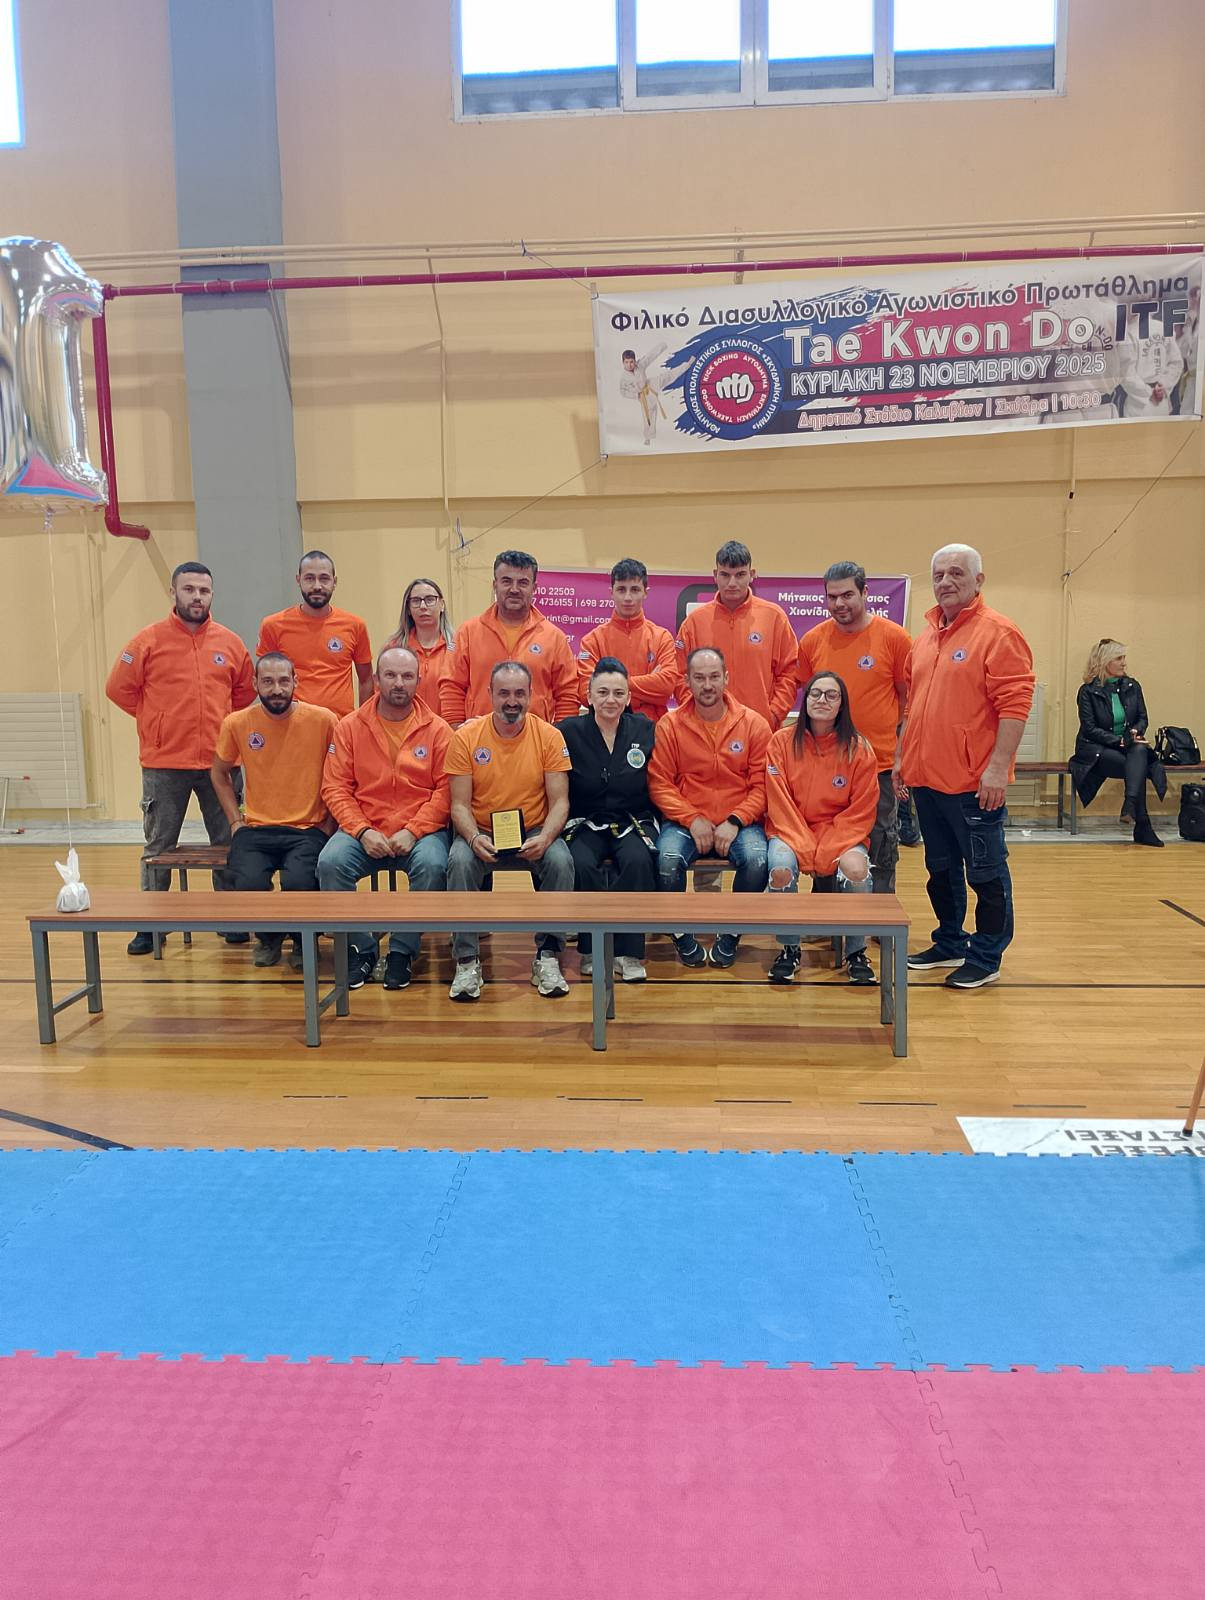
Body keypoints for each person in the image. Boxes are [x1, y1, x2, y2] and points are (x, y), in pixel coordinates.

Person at [894, 544, 1035, 990]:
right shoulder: (926, 637)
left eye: (956, 573)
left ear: (979, 580)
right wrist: (901, 757)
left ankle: (987, 955)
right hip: (926, 780)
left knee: (986, 873)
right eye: (938, 574)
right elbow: (912, 706)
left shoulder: (999, 633)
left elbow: (1015, 705)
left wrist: (997, 768)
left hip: (974, 783)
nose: (946, 582)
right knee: (940, 871)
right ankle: (950, 941)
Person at [105, 561, 255, 955]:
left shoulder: (230, 643)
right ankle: (152, 926)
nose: (197, 597)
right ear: (173, 593)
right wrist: (156, 722)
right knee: (159, 846)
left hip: (221, 763)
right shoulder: (147, 641)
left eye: (204, 590)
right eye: (189, 589)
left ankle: (232, 919)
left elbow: (244, 694)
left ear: (212, 594)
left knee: (229, 841)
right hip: (164, 763)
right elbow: (118, 689)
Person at [318, 646, 452, 991]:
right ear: (376, 679)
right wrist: (362, 831)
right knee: (331, 862)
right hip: (363, 828)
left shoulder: (438, 730)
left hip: (420, 832)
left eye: (407, 676)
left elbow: (446, 791)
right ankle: (360, 948)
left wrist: (414, 830)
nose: (399, 683)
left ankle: (401, 951)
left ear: (419, 680)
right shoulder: (349, 727)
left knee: (434, 865)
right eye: (390, 675)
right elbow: (334, 787)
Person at [445, 661, 575, 1002]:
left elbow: (560, 802)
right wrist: (473, 838)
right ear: (489, 694)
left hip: (534, 829)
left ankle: (548, 956)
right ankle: (466, 960)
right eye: (503, 693)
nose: (512, 701)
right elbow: (459, 805)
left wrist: (545, 837)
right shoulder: (466, 738)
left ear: (531, 695)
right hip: (481, 830)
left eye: (519, 693)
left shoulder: (549, 736)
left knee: (561, 861)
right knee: (459, 861)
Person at [211, 653, 338, 969]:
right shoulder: (237, 723)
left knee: (300, 881)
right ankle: (268, 939)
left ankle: (303, 941)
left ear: (296, 681)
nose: (277, 689)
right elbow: (219, 773)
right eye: (268, 681)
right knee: (247, 881)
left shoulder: (324, 720)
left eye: (283, 680)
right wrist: (235, 821)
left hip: (307, 829)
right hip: (256, 829)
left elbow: (343, 772)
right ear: (255, 684)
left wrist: (329, 824)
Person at [796, 562, 912, 903]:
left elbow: (909, 702)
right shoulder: (812, 641)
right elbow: (811, 701)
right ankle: (825, 917)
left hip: (879, 768)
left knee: (880, 845)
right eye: (832, 597)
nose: (839, 603)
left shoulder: (895, 639)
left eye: (847, 595)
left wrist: (901, 755)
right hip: (826, 767)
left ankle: (880, 916)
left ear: (865, 593)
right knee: (826, 845)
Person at [648, 647, 770, 969]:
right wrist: (692, 819)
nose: (707, 685)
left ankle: (730, 933)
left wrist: (736, 820)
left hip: (741, 822)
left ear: (726, 678)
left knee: (758, 860)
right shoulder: (670, 725)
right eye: (699, 677)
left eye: (714, 676)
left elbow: (763, 786)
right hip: (685, 821)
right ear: (687, 681)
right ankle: (681, 934)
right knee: (666, 860)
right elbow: (660, 783)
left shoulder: (754, 724)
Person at [765, 672, 880, 985]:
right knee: (780, 870)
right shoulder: (780, 742)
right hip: (790, 828)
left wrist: (826, 848)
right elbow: (779, 802)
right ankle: (789, 949)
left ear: (842, 704)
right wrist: (805, 846)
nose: (822, 700)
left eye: (832, 695)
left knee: (856, 870)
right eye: (816, 693)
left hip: (841, 833)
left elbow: (861, 811)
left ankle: (856, 952)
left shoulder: (859, 748)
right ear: (805, 700)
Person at [559, 658, 658, 984]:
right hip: (585, 819)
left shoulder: (645, 729)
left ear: (629, 697)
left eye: (618, 693)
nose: (610, 700)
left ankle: (628, 952)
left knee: (638, 860)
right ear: (589, 696)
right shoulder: (567, 731)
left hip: (631, 818)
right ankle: (592, 949)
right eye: (602, 692)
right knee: (580, 862)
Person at [441, 550, 579, 727]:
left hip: (535, 740)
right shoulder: (468, 633)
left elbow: (567, 694)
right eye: (506, 581)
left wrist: (559, 733)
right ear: (495, 585)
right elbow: (452, 686)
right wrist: (457, 728)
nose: (514, 589)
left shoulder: (554, 638)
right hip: (478, 739)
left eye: (523, 583)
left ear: (534, 588)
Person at [674, 540, 799, 729]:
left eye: (740, 575)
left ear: (752, 574)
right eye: (725, 575)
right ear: (715, 575)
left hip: (760, 730)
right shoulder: (694, 622)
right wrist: (696, 713)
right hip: (706, 730)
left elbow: (790, 672)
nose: (732, 583)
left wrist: (773, 714)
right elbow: (679, 675)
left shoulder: (774, 617)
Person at [1070, 640, 1166, 847]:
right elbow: (1090, 728)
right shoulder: (1087, 691)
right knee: (1137, 766)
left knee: (1139, 752)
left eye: (1124, 658)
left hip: (1128, 747)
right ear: (1104, 661)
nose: (1124, 663)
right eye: (1118, 658)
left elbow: (1142, 718)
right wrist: (1119, 740)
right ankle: (1142, 824)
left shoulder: (1132, 686)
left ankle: (1130, 804)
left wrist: (1135, 732)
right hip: (1096, 749)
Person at [257, 550, 372, 718]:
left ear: (334, 582)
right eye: (309, 578)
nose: (317, 586)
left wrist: (363, 721)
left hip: (340, 724)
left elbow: (366, 680)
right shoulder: (273, 625)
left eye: (324, 578)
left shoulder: (355, 625)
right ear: (298, 580)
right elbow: (265, 679)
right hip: (292, 724)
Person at [576, 558, 676, 721]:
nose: (628, 597)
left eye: (635, 590)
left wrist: (608, 687)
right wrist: (649, 687)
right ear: (611, 592)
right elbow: (585, 693)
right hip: (605, 730)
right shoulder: (592, 641)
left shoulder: (662, 638)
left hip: (651, 729)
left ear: (645, 592)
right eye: (621, 589)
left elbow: (666, 687)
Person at [384, 576, 455, 715]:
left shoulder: (458, 647)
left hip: (447, 725)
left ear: (442, 605)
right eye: (416, 601)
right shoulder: (395, 648)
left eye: (430, 599)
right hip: (405, 725)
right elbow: (382, 694)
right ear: (408, 609)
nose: (423, 606)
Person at [619, 343, 667, 446]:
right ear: (623, 363)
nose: (629, 365)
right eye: (626, 362)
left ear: (635, 361)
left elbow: (650, 356)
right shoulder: (624, 378)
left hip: (649, 385)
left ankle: (686, 366)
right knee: (648, 417)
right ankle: (648, 437)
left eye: (631, 362)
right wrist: (635, 395)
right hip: (642, 396)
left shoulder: (639, 365)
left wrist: (662, 346)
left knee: (665, 377)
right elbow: (623, 392)